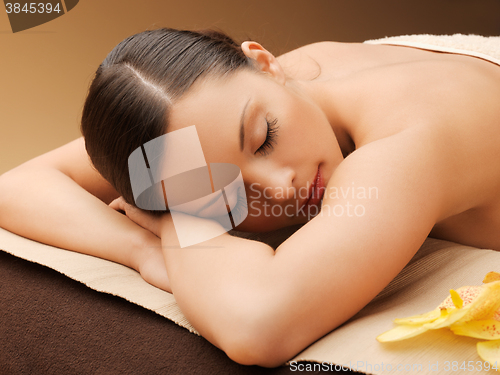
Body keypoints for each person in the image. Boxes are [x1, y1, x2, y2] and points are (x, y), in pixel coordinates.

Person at [0, 28, 499, 367]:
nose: (280, 189)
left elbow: (257, 324)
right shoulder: (231, 102)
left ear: (264, 62)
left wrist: (176, 211)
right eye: (220, 196)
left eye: (264, 137)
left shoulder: (413, 136)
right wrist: (143, 248)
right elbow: (17, 186)